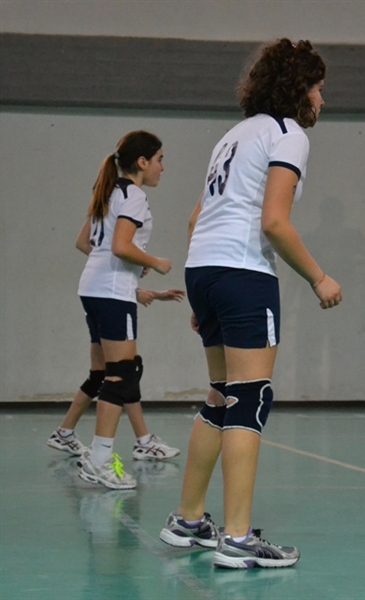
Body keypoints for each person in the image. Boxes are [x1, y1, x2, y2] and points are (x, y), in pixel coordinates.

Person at [159, 38, 342, 568]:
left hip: (205, 267)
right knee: (249, 398)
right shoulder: (288, 134)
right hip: (243, 271)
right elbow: (274, 222)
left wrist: (204, 296)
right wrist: (319, 277)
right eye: (318, 89)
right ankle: (237, 539)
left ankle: (188, 520)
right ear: (299, 90)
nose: (322, 100)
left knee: (221, 396)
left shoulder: (233, 136)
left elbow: (197, 217)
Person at [55, 129, 179, 490]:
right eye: (159, 160)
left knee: (113, 371)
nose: (162, 168)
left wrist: (132, 269)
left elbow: (86, 243)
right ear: (142, 162)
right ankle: (100, 460)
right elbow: (121, 246)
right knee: (122, 374)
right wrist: (154, 262)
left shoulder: (109, 191)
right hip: (111, 292)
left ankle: (138, 442)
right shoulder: (134, 195)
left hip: (93, 288)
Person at [47, 286, 184, 461]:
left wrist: (153, 294)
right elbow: (115, 273)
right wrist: (149, 274)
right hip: (114, 301)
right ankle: (138, 444)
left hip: (95, 299)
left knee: (100, 375)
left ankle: (64, 433)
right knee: (125, 372)